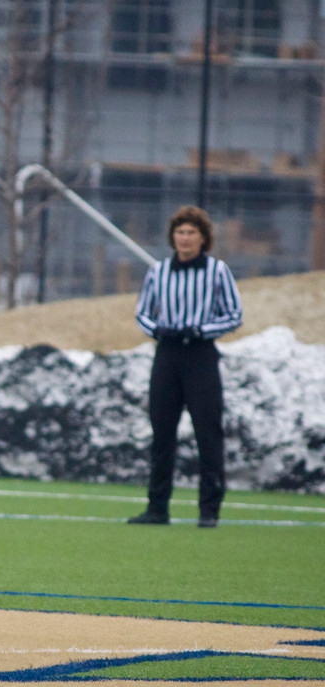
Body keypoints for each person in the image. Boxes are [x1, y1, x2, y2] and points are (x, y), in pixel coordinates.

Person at [130, 205, 243, 528]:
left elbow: (234, 314)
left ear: (203, 238)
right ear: (172, 237)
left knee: (208, 432)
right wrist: (158, 329)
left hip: (200, 355)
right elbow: (142, 312)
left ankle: (209, 510)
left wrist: (200, 330)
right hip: (167, 355)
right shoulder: (158, 271)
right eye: (180, 232)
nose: (185, 238)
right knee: (162, 432)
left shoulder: (218, 271)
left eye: (191, 232)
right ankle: (157, 508)